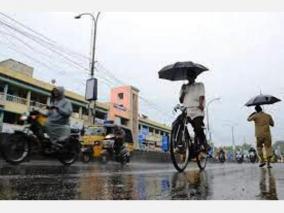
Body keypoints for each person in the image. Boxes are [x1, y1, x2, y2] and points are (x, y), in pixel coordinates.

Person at [179, 71, 210, 152]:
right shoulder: (184, 86)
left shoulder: (199, 85)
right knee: (178, 123)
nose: (190, 77)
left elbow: (201, 96)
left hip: (197, 110)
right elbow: (181, 100)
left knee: (197, 127)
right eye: (188, 75)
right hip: (187, 110)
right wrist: (183, 92)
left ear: (195, 77)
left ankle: (204, 143)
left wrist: (200, 104)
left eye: (192, 75)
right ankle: (180, 144)